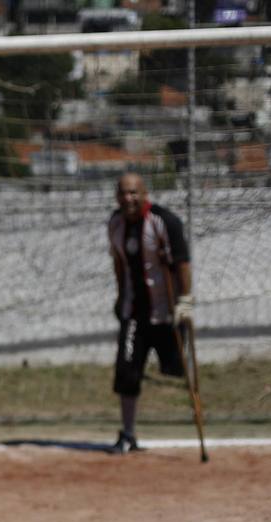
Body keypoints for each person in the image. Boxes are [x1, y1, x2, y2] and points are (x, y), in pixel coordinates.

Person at [106, 172, 194, 454]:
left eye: (133, 192)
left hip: (166, 311)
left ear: (144, 193)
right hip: (134, 312)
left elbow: (180, 262)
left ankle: (196, 416)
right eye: (123, 193)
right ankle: (128, 434)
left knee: (176, 368)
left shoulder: (163, 222)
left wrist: (185, 301)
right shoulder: (115, 224)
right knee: (127, 371)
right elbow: (119, 262)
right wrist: (120, 297)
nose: (128, 199)